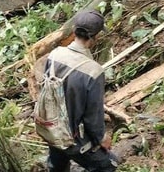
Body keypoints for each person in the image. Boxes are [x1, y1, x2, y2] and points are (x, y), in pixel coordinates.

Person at [43, 10, 119, 172]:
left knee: (57, 165)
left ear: (74, 31)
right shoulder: (93, 71)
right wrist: (101, 139)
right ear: (94, 38)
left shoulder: (54, 55)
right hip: (71, 137)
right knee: (109, 165)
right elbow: (92, 116)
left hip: (50, 128)